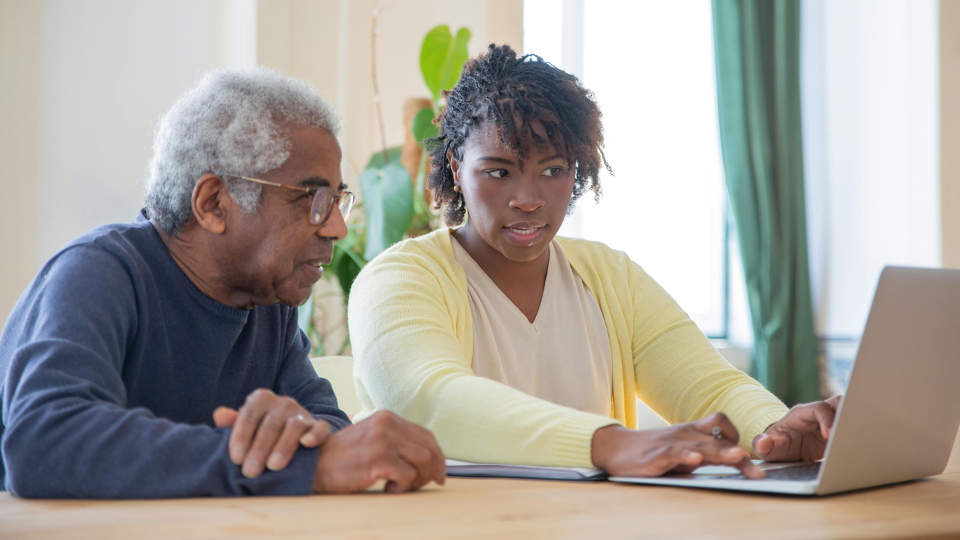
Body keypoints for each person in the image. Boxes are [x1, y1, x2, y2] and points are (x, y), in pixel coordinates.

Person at [348, 45, 841, 478]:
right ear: (456, 167)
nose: (528, 199)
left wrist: (774, 432)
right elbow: (430, 400)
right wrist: (609, 443)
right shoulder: (399, 280)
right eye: (498, 172)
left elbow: (708, 386)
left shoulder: (611, 277)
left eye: (553, 170)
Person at [0, 68, 445, 498]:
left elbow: (326, 422)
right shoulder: (98, 274)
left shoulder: (268, 303)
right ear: (213, 203)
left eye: (336, 201)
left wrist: (299, 440)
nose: (336, 229)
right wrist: (293, 465)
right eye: (312, 200)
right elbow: (45, 440)